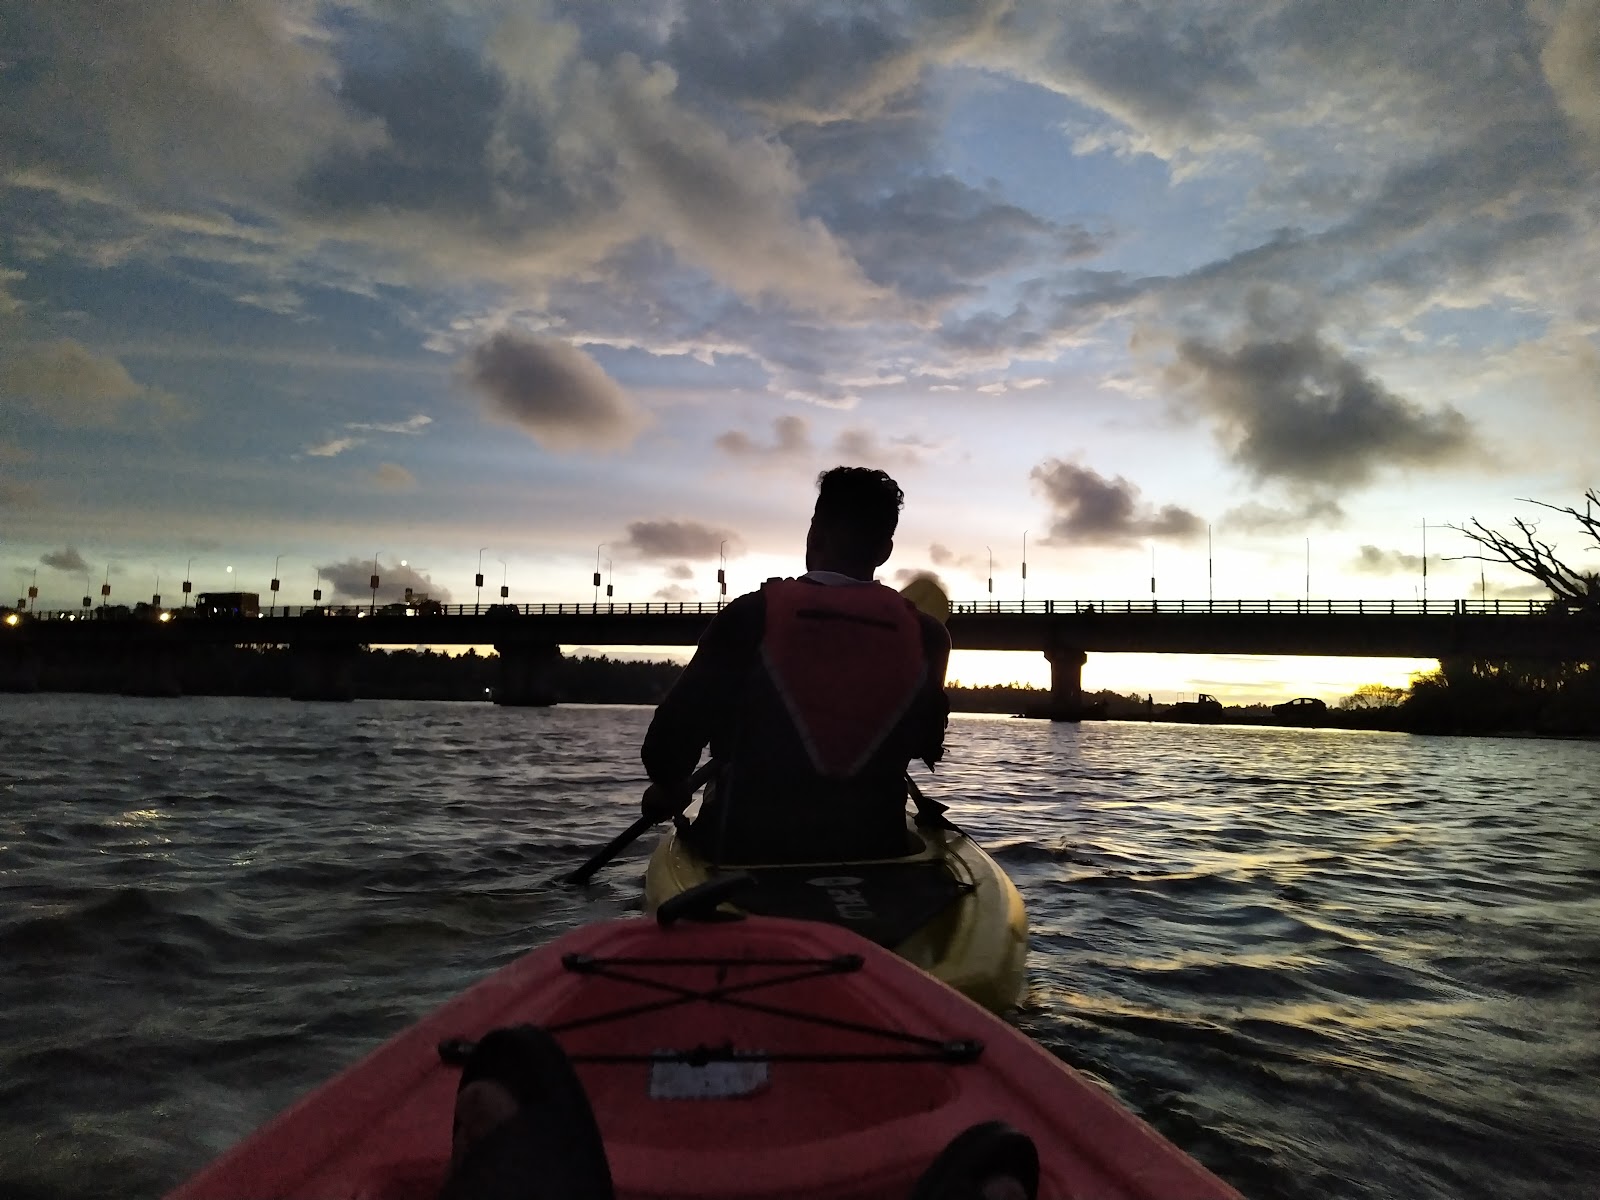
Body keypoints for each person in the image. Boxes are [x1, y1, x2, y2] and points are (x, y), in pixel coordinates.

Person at [639, 466, 951, 864]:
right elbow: (926, 744)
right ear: (885, 550)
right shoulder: (928, 636)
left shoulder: (750, 616)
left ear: (813, 536)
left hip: (745, 849)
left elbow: (668, 746)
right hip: (876, 849)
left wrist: (668, 785)